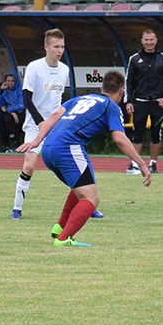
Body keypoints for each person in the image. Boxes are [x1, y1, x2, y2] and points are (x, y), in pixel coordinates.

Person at [18, 70, 151, 247]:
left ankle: (60, 227)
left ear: (102, 87)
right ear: (121, 91)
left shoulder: (80, 99)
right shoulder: (110, 106)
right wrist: (141, 163)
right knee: (91, 199)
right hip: (68, 147)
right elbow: (119, 138)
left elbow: (55, 116)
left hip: (49, 147)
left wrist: (36, 140)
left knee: (81, 187)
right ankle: (64, 239)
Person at [11, 29, 103, 220]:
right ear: (46, 47)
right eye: (56, 46)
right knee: (29, 166)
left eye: (62, 46)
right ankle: (17, 209)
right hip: (35, 124)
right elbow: (27, 99)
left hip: (57, 125)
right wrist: (40, 122)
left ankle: (88, 203)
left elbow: (60, 100)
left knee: (69, 167)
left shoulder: (64, 69)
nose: (60, 50)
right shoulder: (34, 68)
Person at [124, 29, 163, 175]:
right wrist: (129, 101)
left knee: (156, 133)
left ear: (156, 40)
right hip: (139, 102)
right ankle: (134, 164)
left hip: (158, 103)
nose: (149, 42)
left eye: (151, 40)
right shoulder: (134, 59)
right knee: (137, 133)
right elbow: (129, 81)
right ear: (142, 41)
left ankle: (153, 164)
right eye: (146, 40)